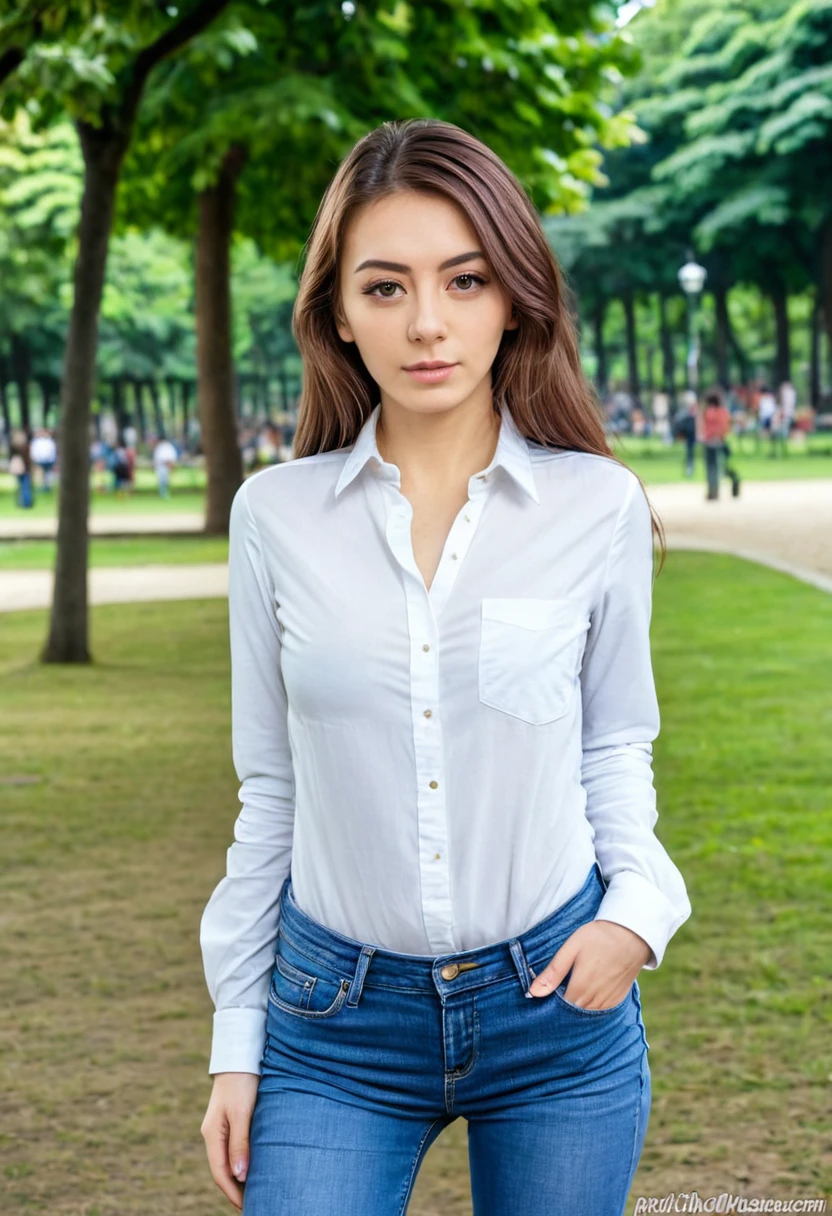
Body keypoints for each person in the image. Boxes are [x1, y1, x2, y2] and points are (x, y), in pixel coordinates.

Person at [198, 118, 692, 1216]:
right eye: (384, 288)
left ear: (512, 295)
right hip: (335, 1027)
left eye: (464, 279)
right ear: (337, 310)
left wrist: (637, 912)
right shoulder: (274, 519)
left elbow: (613, 739)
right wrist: (238, 1041)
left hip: (557, 1010)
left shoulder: (594, 506)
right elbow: (269, 789)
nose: (427, 323)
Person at [700, 389, 738, 500]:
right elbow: (726, 427)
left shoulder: (708, 411)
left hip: (709, 442)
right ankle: (716, 490)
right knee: (719, 467)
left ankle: (712, 491)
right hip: (720, 442)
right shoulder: (723, 412)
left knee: (710, 468)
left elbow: (704, 426)